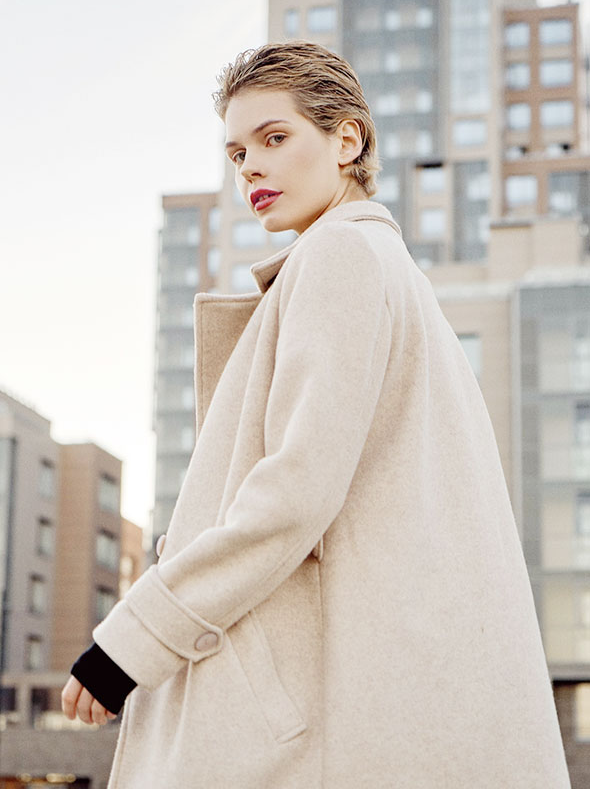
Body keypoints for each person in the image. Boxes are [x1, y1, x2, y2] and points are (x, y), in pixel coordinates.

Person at [62, 41, 571, 788]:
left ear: (346, 140)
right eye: (238, 153)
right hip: (382, 694)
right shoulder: (386, 268)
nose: (251, 169)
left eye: (274, 138)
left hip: (327, 711)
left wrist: (135, 640)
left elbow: (294, 492)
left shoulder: (341, 258)